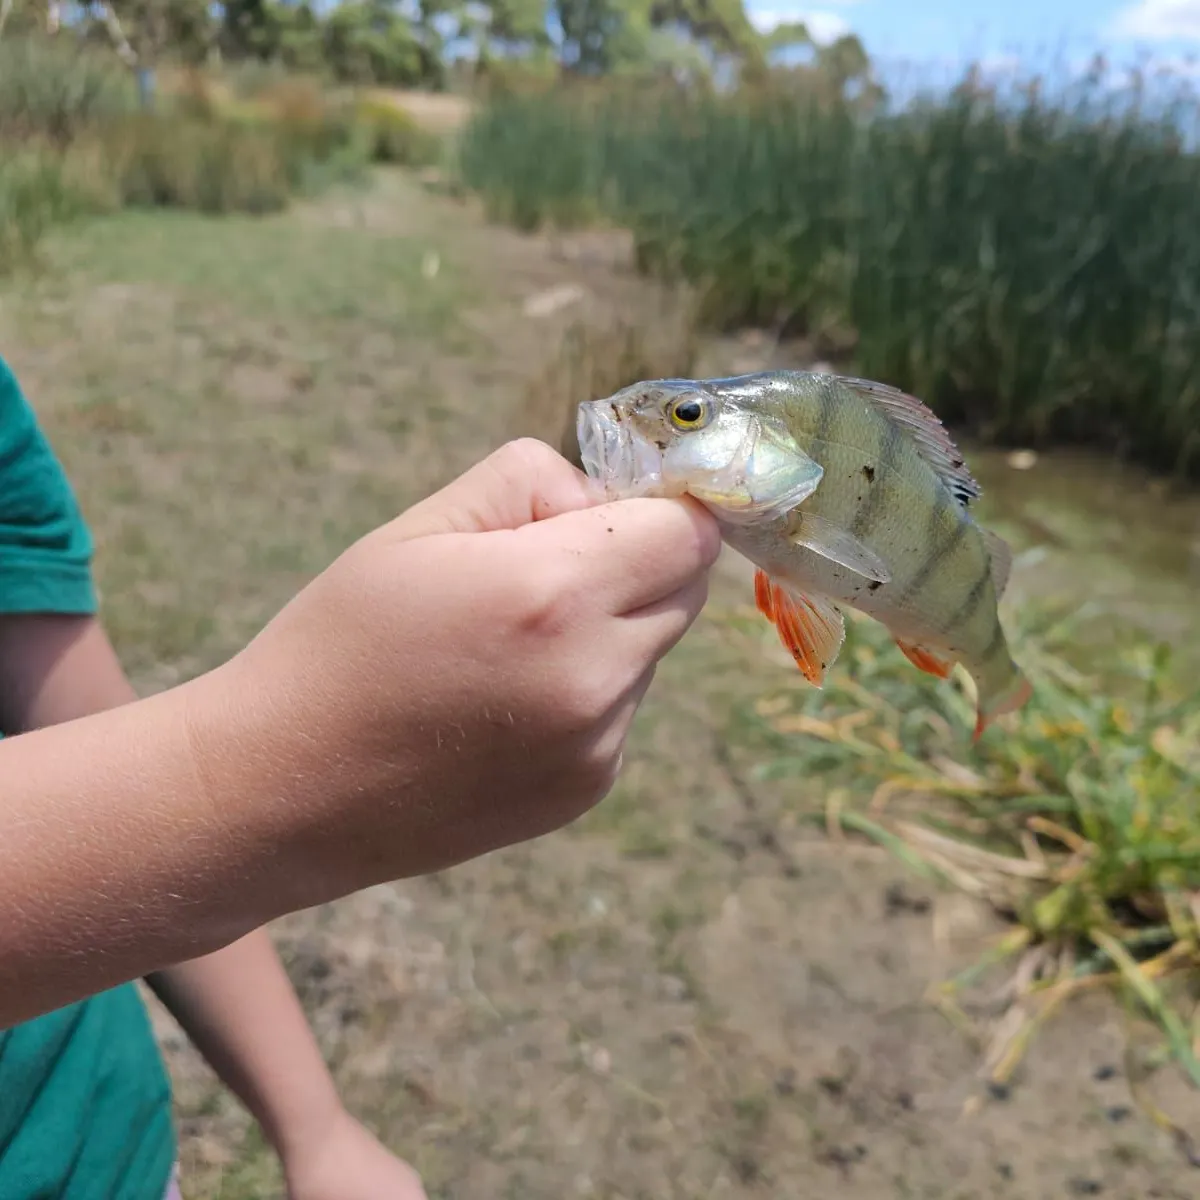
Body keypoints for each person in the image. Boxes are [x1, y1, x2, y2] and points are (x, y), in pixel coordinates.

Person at [0, 352, 719, 1199]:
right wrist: (273, 771)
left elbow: (89, 734)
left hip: (117, 1147)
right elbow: (165, 786)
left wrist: (315, 1127)